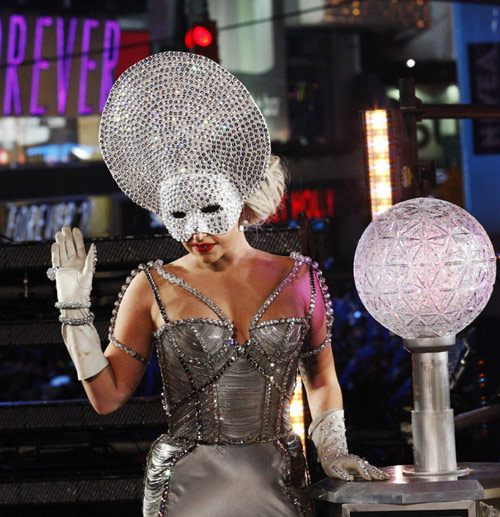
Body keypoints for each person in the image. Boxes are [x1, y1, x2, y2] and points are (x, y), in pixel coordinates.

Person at [48, 52, 388, 517]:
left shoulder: (299, 276)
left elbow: (322, 377)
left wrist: (332, 451)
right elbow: (107, 399)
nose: (194, 231)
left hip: (280, 481)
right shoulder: (152, 286)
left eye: (209, 210)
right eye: (177, 215)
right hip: (187, 488)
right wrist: (73, 309)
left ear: (242, 196)